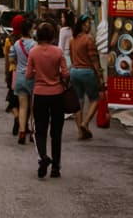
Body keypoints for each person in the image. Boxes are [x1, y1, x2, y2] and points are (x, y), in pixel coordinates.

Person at [26, 18, 70, 179]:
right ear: (52, 35)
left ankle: (43, 158)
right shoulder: (58, 52)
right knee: (56, 132)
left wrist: (39, 73)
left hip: (40, 94)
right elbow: (65, 73)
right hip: (57, 94)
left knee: (40, 129)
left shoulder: (33, 52)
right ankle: (56, 168)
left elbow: (28, 75)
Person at [68, 14, 102, 138]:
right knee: (95, 99)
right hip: (87, 72)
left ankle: (81, 132)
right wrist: (100, 75)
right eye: (88, 23)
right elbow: (94, 60)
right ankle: (85, 122)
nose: (89, 26)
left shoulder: (72, 40)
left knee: (79, 102)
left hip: (74, 72)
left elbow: (71, 58)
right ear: (83, 25)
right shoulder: (89, 39)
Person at [12, 16, 37, 145]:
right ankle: (33, 132)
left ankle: (22, 132)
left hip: (20, 78)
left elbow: (12, 59)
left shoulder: (16, 44)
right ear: (30, 30)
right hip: (32, 78)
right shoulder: (34, 44)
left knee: (22, 106)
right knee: (33, 108)